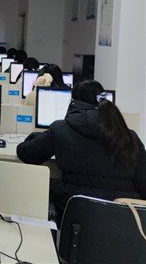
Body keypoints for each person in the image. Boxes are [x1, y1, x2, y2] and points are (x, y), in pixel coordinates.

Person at [17, 80, 146, 219]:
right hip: (123, 220)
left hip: (76, 217)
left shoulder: (61, 129)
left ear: (73, 102)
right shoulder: (130, 136)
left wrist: (34, 138)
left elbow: (27, 154)